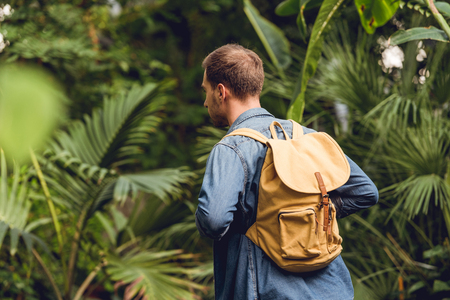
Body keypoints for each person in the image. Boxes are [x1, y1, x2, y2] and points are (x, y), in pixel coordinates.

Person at [195, 44, 378, 300]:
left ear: (221, 92)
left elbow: (213, 221)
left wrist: (269, 221)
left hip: (263, 290)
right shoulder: (309, 138)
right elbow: (366, 192)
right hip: (332, 289)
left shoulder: (231, 147)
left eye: (206, 91)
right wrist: (311, 213)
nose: (205, 102)